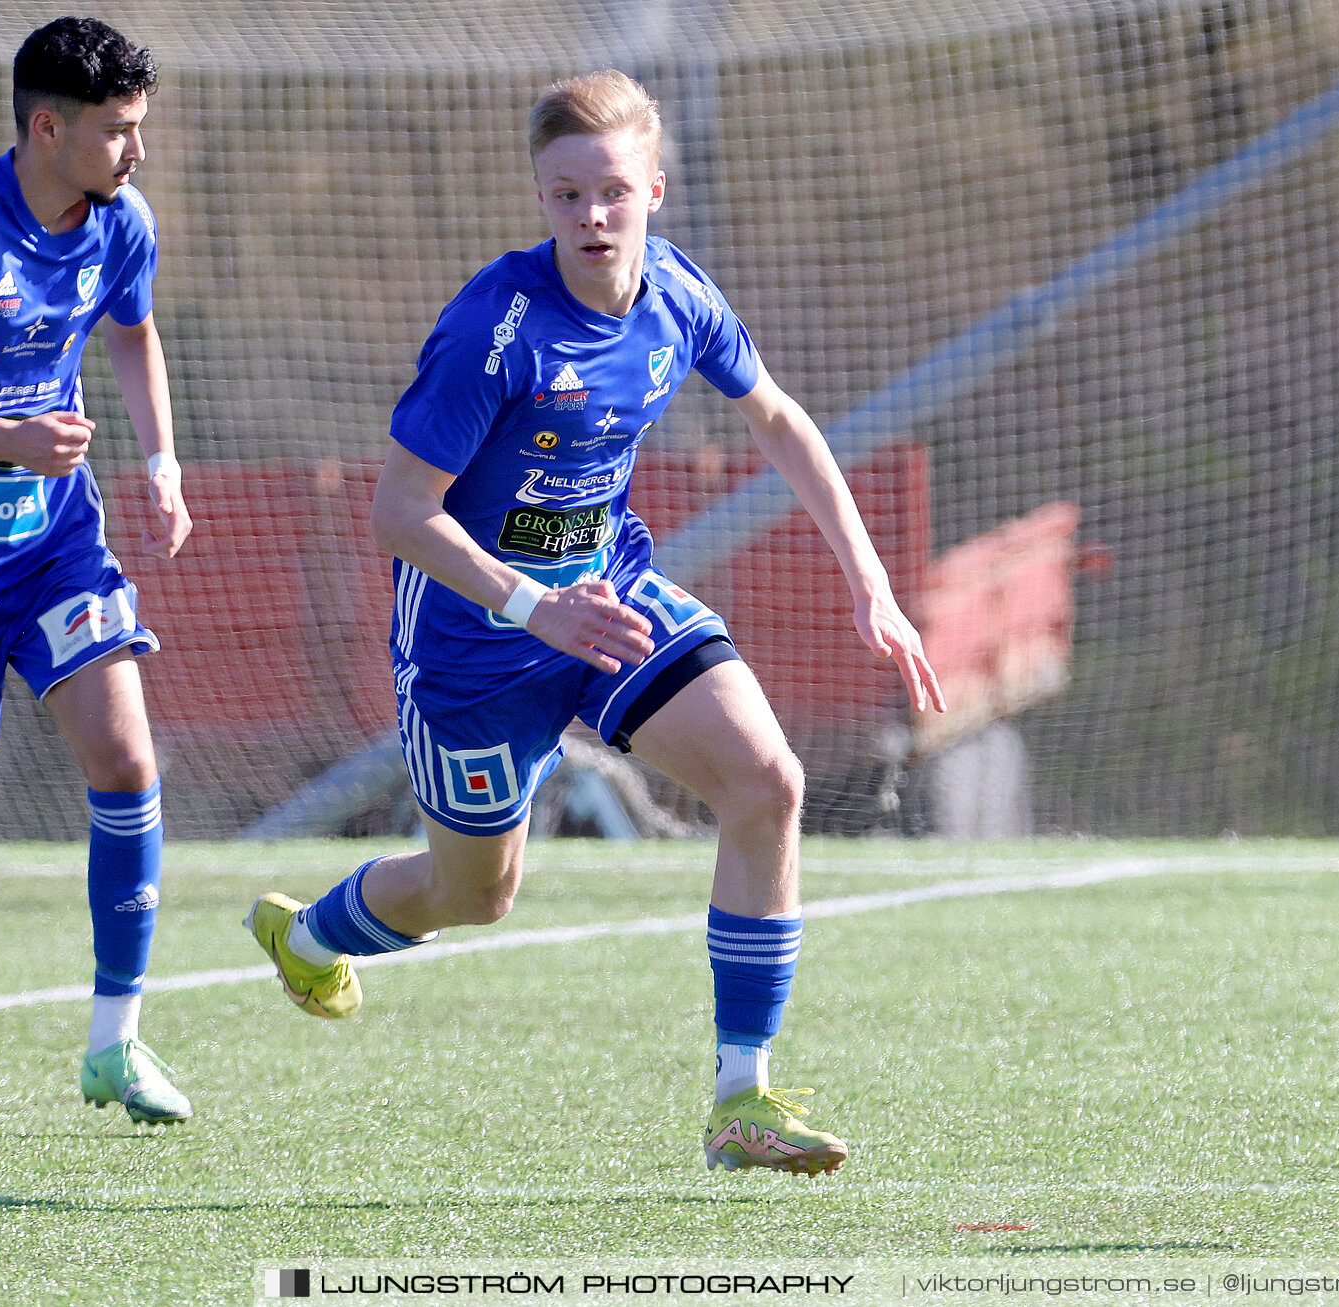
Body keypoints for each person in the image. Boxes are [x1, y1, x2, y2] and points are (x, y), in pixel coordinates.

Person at [247, 69, 943, 1175]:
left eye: (613, 191)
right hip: (475, 643)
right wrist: (534, 605)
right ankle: (309, 931)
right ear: (541, 198)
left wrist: (870, 582)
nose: (592, 217)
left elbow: (779, 417)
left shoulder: (677, 294)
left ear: (655, 190)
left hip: (608, 598)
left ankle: (740, 1099)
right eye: (566, 195)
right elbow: (398, 515)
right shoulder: (495, 330)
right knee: (475, 894)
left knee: (768, 782)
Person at [0, 18, 193, 1124]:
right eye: (117, 131)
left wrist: (159, 459)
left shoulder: (122, 223)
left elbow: (134, 334)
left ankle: (116, 1040)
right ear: (47, 128)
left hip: (52, 546)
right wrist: (0, 440)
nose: (135, 152)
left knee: (127, 757)